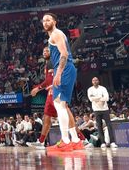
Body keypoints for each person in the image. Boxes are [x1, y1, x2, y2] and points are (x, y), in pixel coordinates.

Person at [28, 46, 86, 149]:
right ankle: (41, 142)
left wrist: (38, 88)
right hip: (50, 93)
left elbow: (53, 78)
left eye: (47, 51)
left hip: (57, 90)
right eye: (43, 51)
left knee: (66, 113)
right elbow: (48, 80)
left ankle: (81, 139)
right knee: (46, 117)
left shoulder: (54, 60)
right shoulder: (47, 64)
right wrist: (41, 87)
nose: (44, 52)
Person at [41, 13, 82, 154]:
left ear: (55, 21)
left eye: (48, 20)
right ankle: (76, 141)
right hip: (66, 70)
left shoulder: (56, 34)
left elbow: (64, 54)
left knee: (59, 104)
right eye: (44, 20)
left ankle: (65, 141)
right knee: (62, 105)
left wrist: (58, 74)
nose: (45, 22)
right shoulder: (54, 35)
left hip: (64, 69)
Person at [87, 76, 117, 148]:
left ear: (98, 81)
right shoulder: (90, 89)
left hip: (105, 109)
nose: (95, 81)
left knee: (109, 125)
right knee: (99, 126)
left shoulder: (103, 88)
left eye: (96, 80)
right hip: (96, 110)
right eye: (93, 80)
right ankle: (102, 143)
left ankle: (112, 142)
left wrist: (96, 98)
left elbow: (106, 98)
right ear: (92, 82)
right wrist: (100, 97)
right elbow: (91, 99)